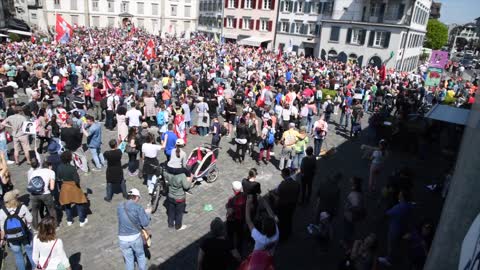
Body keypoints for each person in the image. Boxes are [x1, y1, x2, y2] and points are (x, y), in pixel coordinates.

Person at [0, 189, 35, 270]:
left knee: (18, 256)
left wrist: (2, 239)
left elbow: (2, 228)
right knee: (30, 252)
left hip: (11, 238)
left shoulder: (2, 211)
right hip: (25, 234)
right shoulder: (22, 207)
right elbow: (30, 220)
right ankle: (35, 268)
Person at [117, 188, 151, 270]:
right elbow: (145, 223)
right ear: (135, 197)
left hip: (122, 238)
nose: (138, 200)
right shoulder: (138, 207)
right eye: (138, 198)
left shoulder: (119, 206)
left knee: (129, 259)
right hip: (135, 237)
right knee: (140, 255)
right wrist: (147, 213)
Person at [378, 190, 413, 267]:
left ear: (402, 197)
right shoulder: (409, 205)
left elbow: (387, 214)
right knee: (397, 244)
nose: (398, 195)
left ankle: (389, 259)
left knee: (391, 245)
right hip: (403, 227)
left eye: (400, 194)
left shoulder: (398, 207)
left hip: (394, 229)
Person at [57, 151, 88, 227]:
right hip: (73, 186)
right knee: (79, 203)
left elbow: (58, 178)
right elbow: (77, 180)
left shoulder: (59, 167)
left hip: (65, 187)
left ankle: (69, 220)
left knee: (67, 204)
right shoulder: (72, 168)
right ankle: (81, 220)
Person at [27, 158, 56, 229]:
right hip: (45, 194)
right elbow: (52, 187)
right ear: (49, 166)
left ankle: (35, 227)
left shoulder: (34, 172)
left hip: (34, 194)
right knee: (51, 210)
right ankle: (54, 226)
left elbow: (30, 183)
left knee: (34, 211)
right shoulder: (51, 172)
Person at [274, 168, 300, 242]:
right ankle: (289, 232)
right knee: (289, 218)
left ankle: (282, 237)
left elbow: (277, 193)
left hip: (283, 206)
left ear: (284, 175)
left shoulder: (282, 185)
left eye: (282, 174)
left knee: (282, 221)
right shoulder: (296, 184)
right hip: (292, 205)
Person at [165, 166, 193, 230]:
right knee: (179, 213)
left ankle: (170, 224)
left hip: (170, 196)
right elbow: (186, 187)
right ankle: (178, 226)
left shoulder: (168, 173)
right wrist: (191, 178)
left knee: (171, 211)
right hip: (179, 198)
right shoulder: (182, 175)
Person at [343, 177, 366, 249]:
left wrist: (348, 208)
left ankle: (347, 243)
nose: (350, 181)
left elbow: (356, 206)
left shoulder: (355, 195)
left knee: (347, 229)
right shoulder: (358, 192)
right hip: (352, 216)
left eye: (352, 181)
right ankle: (349, 239)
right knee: (350, 228)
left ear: (355, 184)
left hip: (350, 216)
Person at [225, 181, 247, 252]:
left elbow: (229, 211)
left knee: (230, 235)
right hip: (242, 219)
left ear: (233, 190)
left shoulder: (231, 199)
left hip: (233, 220)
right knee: (240, 235)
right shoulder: (245, 196)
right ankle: (239, 249)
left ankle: (231, 249)